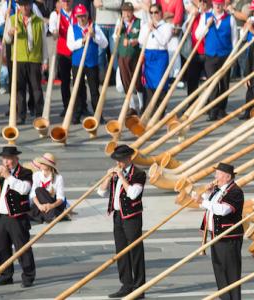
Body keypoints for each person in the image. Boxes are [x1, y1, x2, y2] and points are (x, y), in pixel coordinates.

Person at [97, 145, 147, 298]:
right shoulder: (116, 174)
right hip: (118, 216)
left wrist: (122, 177)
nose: (118, 163)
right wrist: (107, 178)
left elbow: (133, 194)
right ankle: (126, 284)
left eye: (121, 160)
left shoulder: (139, 174)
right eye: (117, 160)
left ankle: (139, 287)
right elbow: (101, 192)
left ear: (129, 159)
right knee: (121, 251)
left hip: (132, 217)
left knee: (134, 251)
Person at [0, 146, 34, 287]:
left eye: (9, 159)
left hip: (18, 217)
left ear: (16, 159)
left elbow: (24, 189)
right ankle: (6, 275)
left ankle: (28, 277)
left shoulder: (25, 172)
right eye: (4, 159)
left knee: (22, 248)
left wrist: (8, 177)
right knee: (3, 248)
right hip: (0, 217)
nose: (7, 162)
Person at [195, 162, 244, 300]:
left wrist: (202, 201)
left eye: (218, 174)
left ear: (227, 177)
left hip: (228, 238)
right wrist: (207, 194)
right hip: (216, 236)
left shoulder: (236, 191)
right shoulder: (218, 189)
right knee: (220, 270)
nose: (215, 176)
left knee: (231, 272)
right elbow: (210, 206)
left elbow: (223, 210)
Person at [3, 0, 48, 124]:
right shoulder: (12, 19)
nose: (25, 7)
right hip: (19, 59)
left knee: (36, 89)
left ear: (30, 5)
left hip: (34, 59)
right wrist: (10, 33)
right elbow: (6, 40)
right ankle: (21, 115)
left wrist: (45, 60)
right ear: (19, 6)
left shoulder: (39, 21)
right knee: (19, 89)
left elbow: (44, 43)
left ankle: (39, 115)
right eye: (22, 5)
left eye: (27, 4)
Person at [196, 0, 238, 120]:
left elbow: (234, 39)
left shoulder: (230, 19)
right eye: (216, 4)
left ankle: (221, 110)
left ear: (224, 5)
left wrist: (234, 56)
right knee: (212, 84)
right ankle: (213, 110)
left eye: (220, 4)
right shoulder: (205, 16)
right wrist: (206, 26)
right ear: (212, 4)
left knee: (224, 83)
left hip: (225, 55)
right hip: (210, 55)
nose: (218, 6)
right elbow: (198, 35)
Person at [67, 4, 109, 124]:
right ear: (76, 17)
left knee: (94, 90)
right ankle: (77, 114)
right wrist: (83, 41)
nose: (82, 19)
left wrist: (94, 36)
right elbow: (70, 46)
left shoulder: (94, 27)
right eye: (79, 16)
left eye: (84, 16)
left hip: (92, 63)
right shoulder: (72, 28)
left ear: (87, 15)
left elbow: (105, 44)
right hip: (77, 63)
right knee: (77, 89)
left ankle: (98, 115)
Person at [139, 4, 173, 114]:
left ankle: (160, 110)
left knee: (160, 84)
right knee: (148, 84)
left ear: (161, 13)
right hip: (148, 55)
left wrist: (154, 30)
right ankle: (149, 110)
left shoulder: (167, 26)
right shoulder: (146, 26)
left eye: (156, 12)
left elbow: (163, 41)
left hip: (160, 56)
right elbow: (141, 41)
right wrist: (147, 29)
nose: (153, 15)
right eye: (151, 13)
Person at [116, 2, 143, 114]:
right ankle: (132, 106)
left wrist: (133, 41)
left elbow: (142, 39)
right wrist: (118, 30)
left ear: (132, 12)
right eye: (124, 11)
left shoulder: (139, 22)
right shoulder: (120, 23)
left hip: (135, 55)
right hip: (123, 55)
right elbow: (115, 37)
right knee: (126, 81)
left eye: (128, 11)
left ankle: (142, 105)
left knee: (137, 81)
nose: (126, 14)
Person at [48, 0, 73, 117]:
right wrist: (55, 32)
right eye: (64, 1)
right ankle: (66, 106)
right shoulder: (56, 15)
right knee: (65, 81)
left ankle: (81, 106)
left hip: (76, 51)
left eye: (68, 1)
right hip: (63, 51)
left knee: (80, 80)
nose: (66, 3)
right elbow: (53, 30)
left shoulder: (76, 12)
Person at [29, 153, 66, 223]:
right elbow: (33, 194)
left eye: (43, 163)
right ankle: (51, 215)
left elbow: (60, 198)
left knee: (39, 190)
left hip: (54, 204)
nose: (41, 164)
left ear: (49, 166)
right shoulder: (36, 175)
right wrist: (39, 206)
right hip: (40, 204)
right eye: (41, 162)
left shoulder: (58, 177)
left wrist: (51, 206)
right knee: (38, 192)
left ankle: (47, 215)